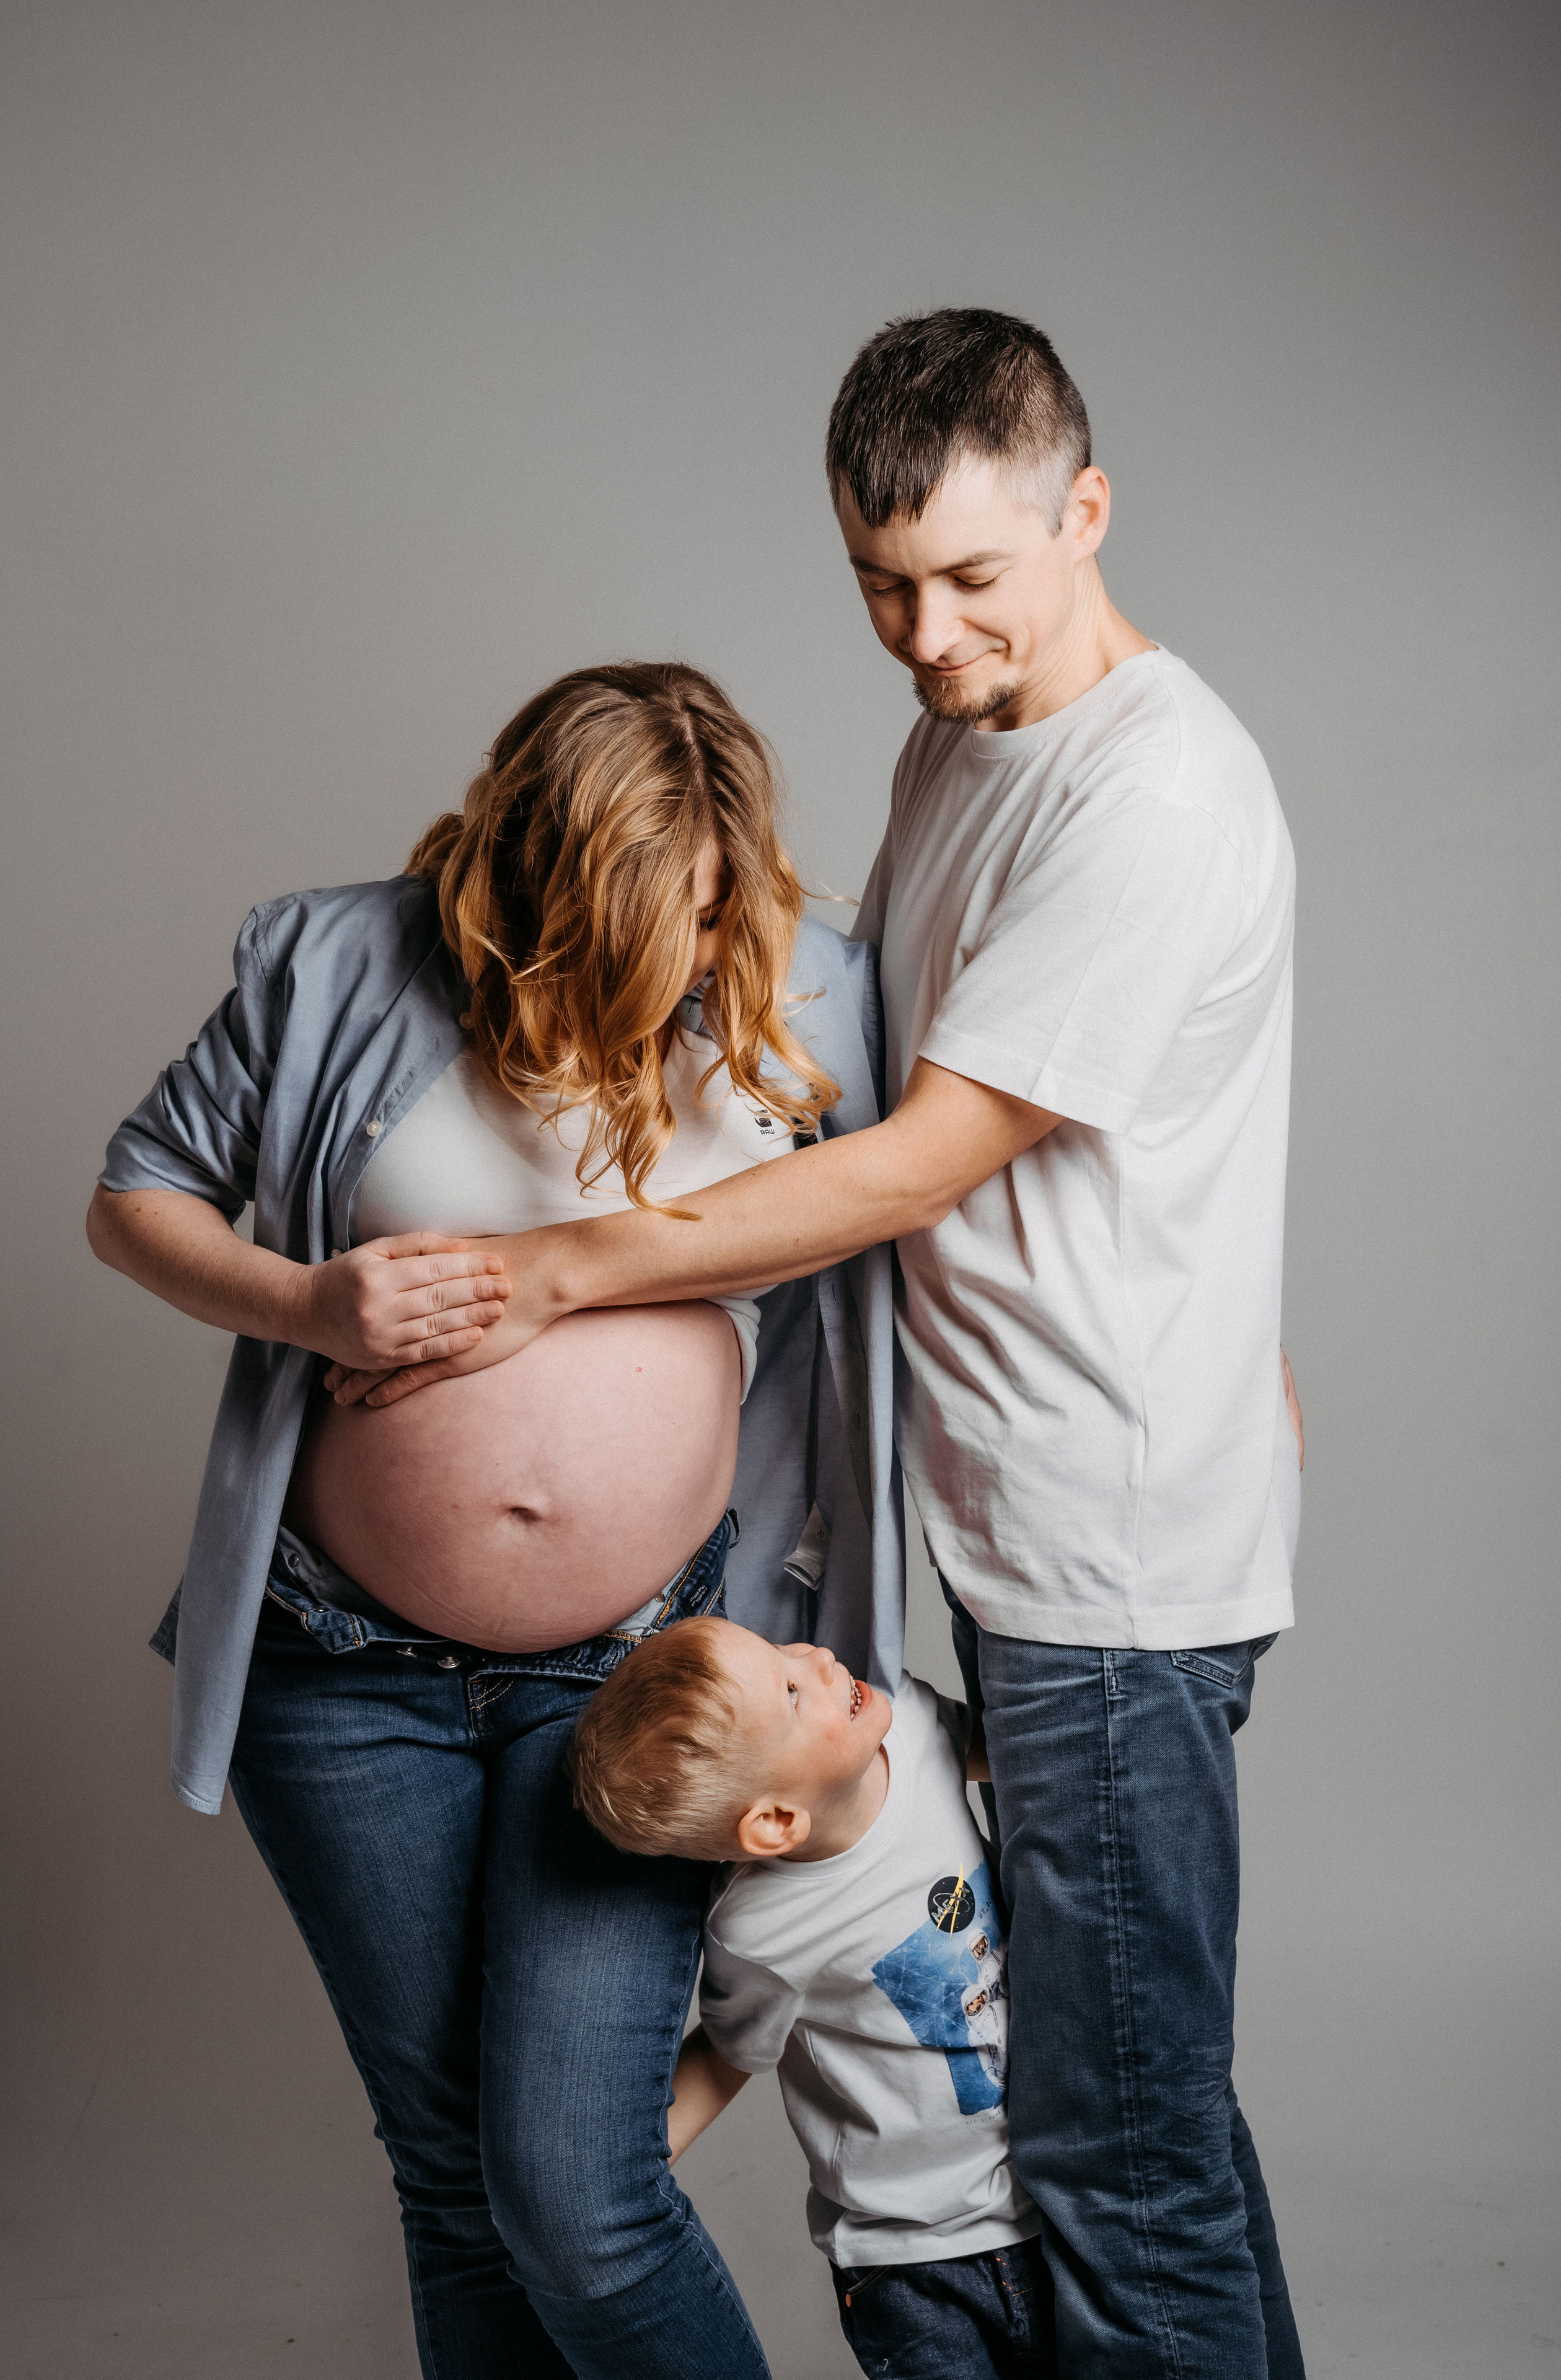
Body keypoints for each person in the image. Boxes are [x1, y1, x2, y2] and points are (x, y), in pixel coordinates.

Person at [345, 312, 1308, 2378]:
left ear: (1089, 510)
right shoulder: (969, 732)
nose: (926, 635)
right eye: (880, 585)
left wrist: (568, 1275)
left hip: (1117, 1561)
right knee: (1101, 2122)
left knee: (1129, 2163)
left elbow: (923, 1155)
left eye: (972, 578)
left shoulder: (1153, 798)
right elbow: (901, 1064)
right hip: (1030, 1530)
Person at [87, 661, 906, 2380]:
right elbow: (137, 1194)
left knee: (577, 2191)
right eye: (628, 923)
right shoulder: (336, 962)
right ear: (522, 876)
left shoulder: (806, 985)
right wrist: (310, 1307)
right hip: (341, 1669)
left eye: (696, 917)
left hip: (634, 1677)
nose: (672, 962)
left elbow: (935, 1198)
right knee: (453, 2181)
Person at [568, 1615, 1058, 2379]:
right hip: (908, 2257)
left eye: (781, 1650)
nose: (818, 1654)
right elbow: (730, 2055)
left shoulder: (916, 1724)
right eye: (793, 1690)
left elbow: (1036, 1760)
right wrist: (596, 2191)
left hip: (1055, 2207)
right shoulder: (762, 1929)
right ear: (773, 1821)